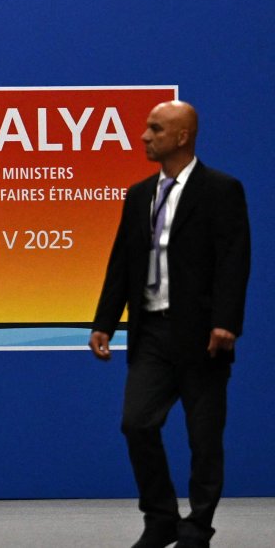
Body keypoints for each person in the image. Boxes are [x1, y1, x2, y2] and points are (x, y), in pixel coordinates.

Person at [90, 100, 250, 548]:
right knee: (136, 424)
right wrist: (104, 320)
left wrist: (225, 322)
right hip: (151, 334)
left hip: (203, 337)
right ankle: (160, 518)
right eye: (145, 129)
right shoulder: (139, 194)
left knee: (203, 437)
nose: (144, 136)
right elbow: (121, 262)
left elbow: (234, 260)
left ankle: (198, 526)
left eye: (155, 129)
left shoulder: (222, 190)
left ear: (182, 137)